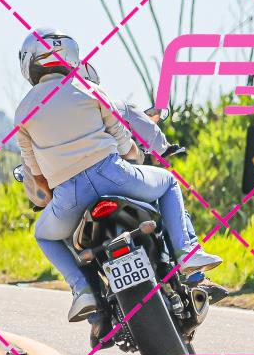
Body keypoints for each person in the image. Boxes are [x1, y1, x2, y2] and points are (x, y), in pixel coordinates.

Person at [14, 27, 223, 322]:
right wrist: (135, 157)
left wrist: (52, 193)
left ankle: (83, 290)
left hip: (70, 196)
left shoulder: (23, 111)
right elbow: (123, 140)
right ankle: (187, 253)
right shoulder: (88, 88)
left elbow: (36, 174)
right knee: (168, 182)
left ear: (29, 63)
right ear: (71, 54)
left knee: (44, 235)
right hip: (112, 174)